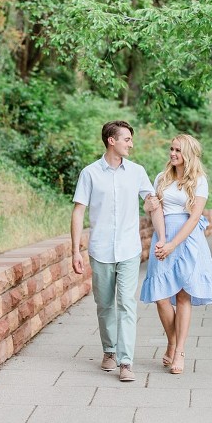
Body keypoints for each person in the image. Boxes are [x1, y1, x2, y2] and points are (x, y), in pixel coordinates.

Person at [71, 120, 162, 383]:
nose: (131, 144)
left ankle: (125, 361)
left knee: (126, 303)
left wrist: (152, 203)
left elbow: (150, 200)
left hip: (129, 248)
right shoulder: (89, 173)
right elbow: (78, 211)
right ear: (112, 141)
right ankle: (109, 350)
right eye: (127, 139)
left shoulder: (137, 172)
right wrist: (75, 250)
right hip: (99, 249)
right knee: (104, 304)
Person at [140, 134, 212, 375]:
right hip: (163, 235)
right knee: (161, 297)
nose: (173, 153)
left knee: (183, 296)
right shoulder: (161, 178)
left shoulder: (199, 180)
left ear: (188, 154)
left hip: (187, 240)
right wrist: (162, 239)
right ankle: (172, 341)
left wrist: (174, 244)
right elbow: (155, 210)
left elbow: (195, 217)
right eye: (171, 149)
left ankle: (180, 351)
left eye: (178, 150)